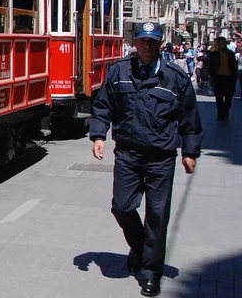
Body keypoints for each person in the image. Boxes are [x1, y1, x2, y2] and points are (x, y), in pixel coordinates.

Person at [90, 21, 202, 297]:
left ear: (160, 44)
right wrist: (98, 135)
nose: (147, 46)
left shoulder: (175, 77)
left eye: (153, 41)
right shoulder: (119, 73)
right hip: (128, 154)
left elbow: (189, 117)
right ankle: (139, 247)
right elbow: (103, 105)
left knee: (157, 217)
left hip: (161, 157)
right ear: (136, 43)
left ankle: (151, 272)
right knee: (122, 207)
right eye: (143, 41)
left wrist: (189, 152)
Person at [207, 36, 236, 120]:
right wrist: (211, 74)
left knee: (228, 97)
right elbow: (210, 65)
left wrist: (234, 77)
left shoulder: (230, 54)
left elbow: (234, 66)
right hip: (218, 77)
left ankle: (226, 111)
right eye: (220, 42)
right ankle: (220, 114)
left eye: (223, 42)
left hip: (229, 77)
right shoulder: (214, 54)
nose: (222, 44)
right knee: (219, 97)